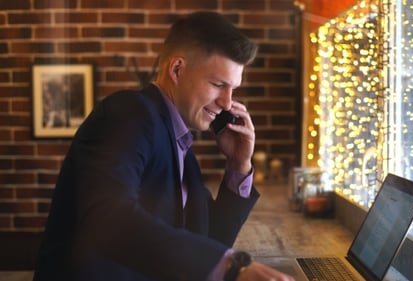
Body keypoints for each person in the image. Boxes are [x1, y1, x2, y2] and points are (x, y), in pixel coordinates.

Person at [33, 11, 294, 281]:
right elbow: (107, 218)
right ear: (177, 69)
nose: (227, 103)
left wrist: (238, 165)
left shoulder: (178, 141)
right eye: (218, 85)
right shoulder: (128, 112)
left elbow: (210, 241)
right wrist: (232, 267)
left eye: (233, 89)